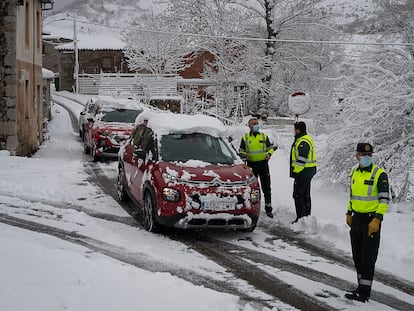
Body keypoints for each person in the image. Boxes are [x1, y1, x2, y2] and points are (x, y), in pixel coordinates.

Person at [345, 143, 390, 303]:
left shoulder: (380, 174)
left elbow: (384, 200)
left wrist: (377, 219)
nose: (366, 158)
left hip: (371, 220)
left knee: (368, 257)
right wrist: (349, 212)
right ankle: (360, 287)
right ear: (357, 156)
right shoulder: (354, 172)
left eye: (369, 155)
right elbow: (353, 195)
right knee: (357, 255)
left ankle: (364, 293)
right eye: (363, 155)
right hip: (356, 219)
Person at [239, 117, 276, 218]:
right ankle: (253, 207)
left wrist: (269, 154)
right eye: (254, 124)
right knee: (253, 188)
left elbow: (271, 149)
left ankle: (268, 208)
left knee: (266, 187)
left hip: (263, 164)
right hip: (251, 165)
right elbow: (241, 151)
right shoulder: (245, 137)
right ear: (249, 126)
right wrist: (246, 156)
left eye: (257, 123)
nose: (256, 125)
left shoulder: (264, 136)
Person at [290, 121, 317, 223]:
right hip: (307, 172)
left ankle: (301, 218)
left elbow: (301, 159)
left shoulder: (303, 142)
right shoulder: (305, 139)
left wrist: (296, 171)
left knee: (298, 195)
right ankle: (306, 216)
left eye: (295, 129)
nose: (294, 131)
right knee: (305, 195)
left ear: (298, 130)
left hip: (302, 173)